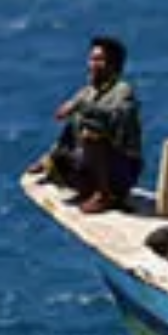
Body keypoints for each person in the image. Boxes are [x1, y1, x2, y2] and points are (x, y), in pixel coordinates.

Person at [27, 35, 143, 214]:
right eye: (92, 59)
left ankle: (105, 195)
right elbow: (71, 124)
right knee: (61, 158)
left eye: (99, 60)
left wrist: (79, 106)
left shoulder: (123, 90)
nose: (93, 64)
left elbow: (114, 116)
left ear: (113, 64)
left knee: (91, 132)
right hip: (94, 165)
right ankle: (57, 167)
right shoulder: (88, 91)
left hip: (121, 166)